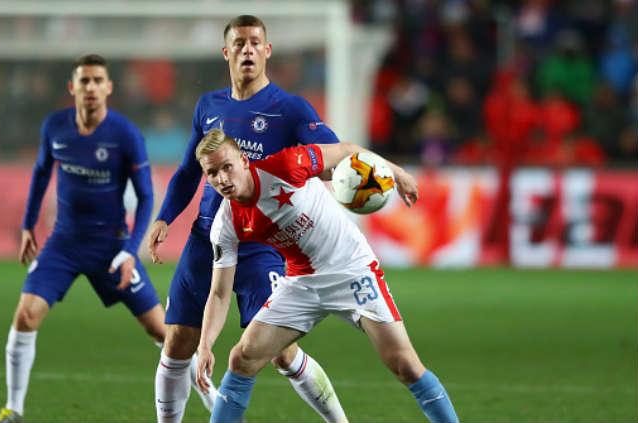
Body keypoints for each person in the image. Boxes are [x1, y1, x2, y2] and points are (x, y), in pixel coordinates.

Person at [148, 15, 347, 423]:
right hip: (208, 238)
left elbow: (332, 155)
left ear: (267, 51)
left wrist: (351, 178)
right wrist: (166, 216)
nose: (248, 49)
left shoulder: (290, 109)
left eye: (256, 42)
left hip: (263, 246)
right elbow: (189, 170)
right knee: (178, 341)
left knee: (280, 352)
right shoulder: (209, 106)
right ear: (227, 53)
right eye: (239, 43)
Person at [0, 54, 214, 423]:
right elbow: (40, 173)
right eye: (85, 81)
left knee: (163, 330)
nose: (91, 87)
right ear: (73, 88)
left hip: (112, 246)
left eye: (98, 81)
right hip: (63, 244)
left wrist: (130, 252)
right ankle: (13, 409)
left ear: (108, 88)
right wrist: (28, 225)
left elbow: (146, 198)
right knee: (26, 315)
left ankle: (216, 403)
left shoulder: (125, 135)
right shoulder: (55, 128)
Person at [194, 128, 460, 423]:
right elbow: (219, 293)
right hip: (300, 284)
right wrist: (205, 345)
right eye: (212, 172)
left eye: (227, 166)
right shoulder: (226, 223)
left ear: (243, 161)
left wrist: (397, 174)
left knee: (405, 365)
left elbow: (346, 150)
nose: (222, 178)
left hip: (351, 270)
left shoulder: (286, 165)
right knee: (242, 358)